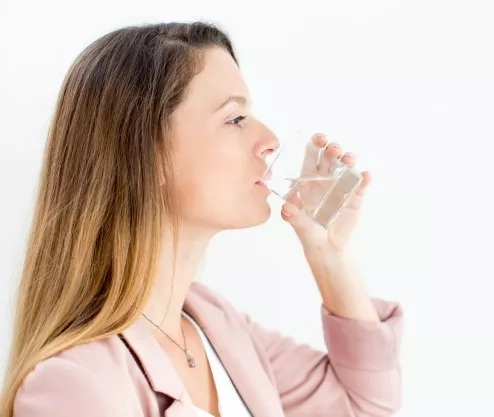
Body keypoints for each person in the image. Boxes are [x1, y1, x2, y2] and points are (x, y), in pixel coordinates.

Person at [0, 21, 404, 417]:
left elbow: (361, 406)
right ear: (148, 153)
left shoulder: (215, 324)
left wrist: (328, 253)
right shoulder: (75, 387)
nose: (269, 141)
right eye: (234, 119)